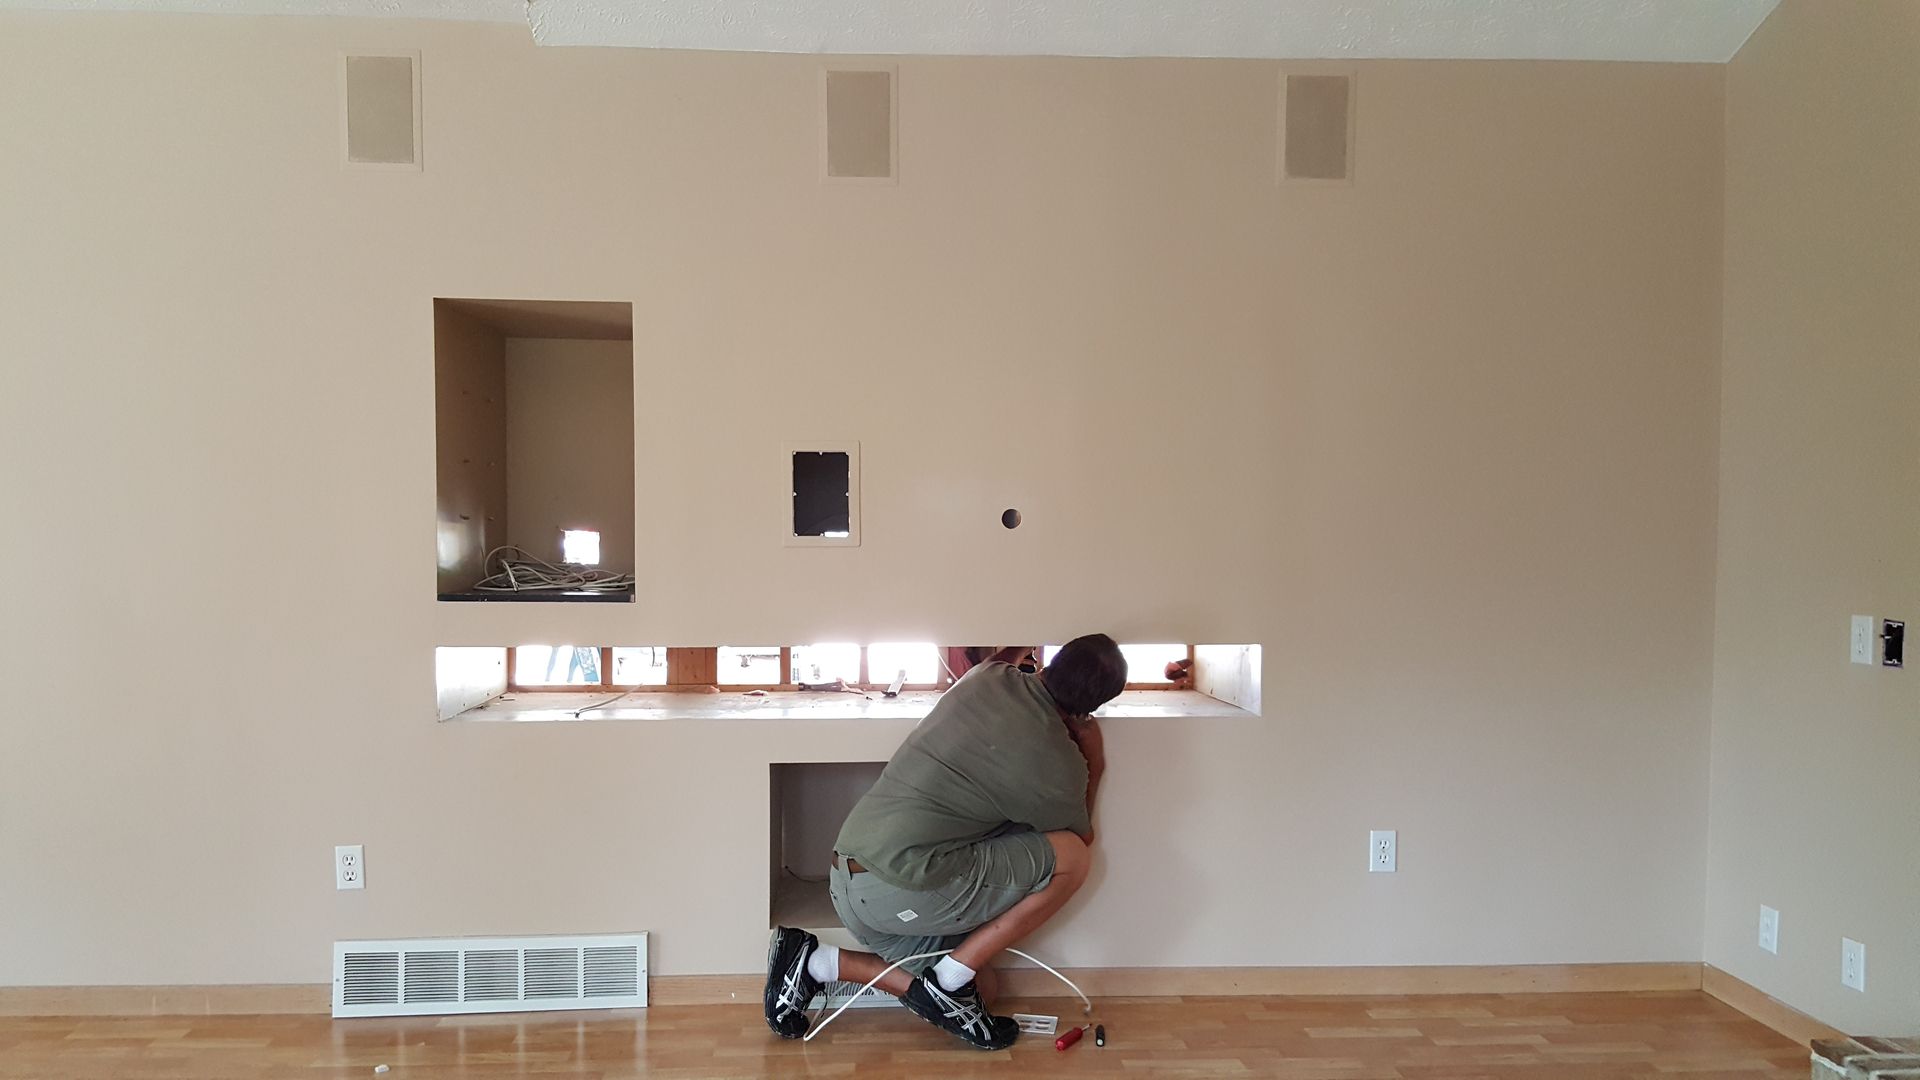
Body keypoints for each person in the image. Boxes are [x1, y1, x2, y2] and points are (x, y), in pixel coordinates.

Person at [763, 634, 1125, 1050]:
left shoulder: (988, 676)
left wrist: (1018, 644)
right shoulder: (1059, 765)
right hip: (900, 888)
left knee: (985, 989)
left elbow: (1001, 659)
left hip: (848, 879)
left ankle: (817, 963)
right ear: (1092, 708)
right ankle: (949, 983)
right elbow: (1081, 837)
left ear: (1053, 660)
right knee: (1073, 859)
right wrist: (1095, 761)